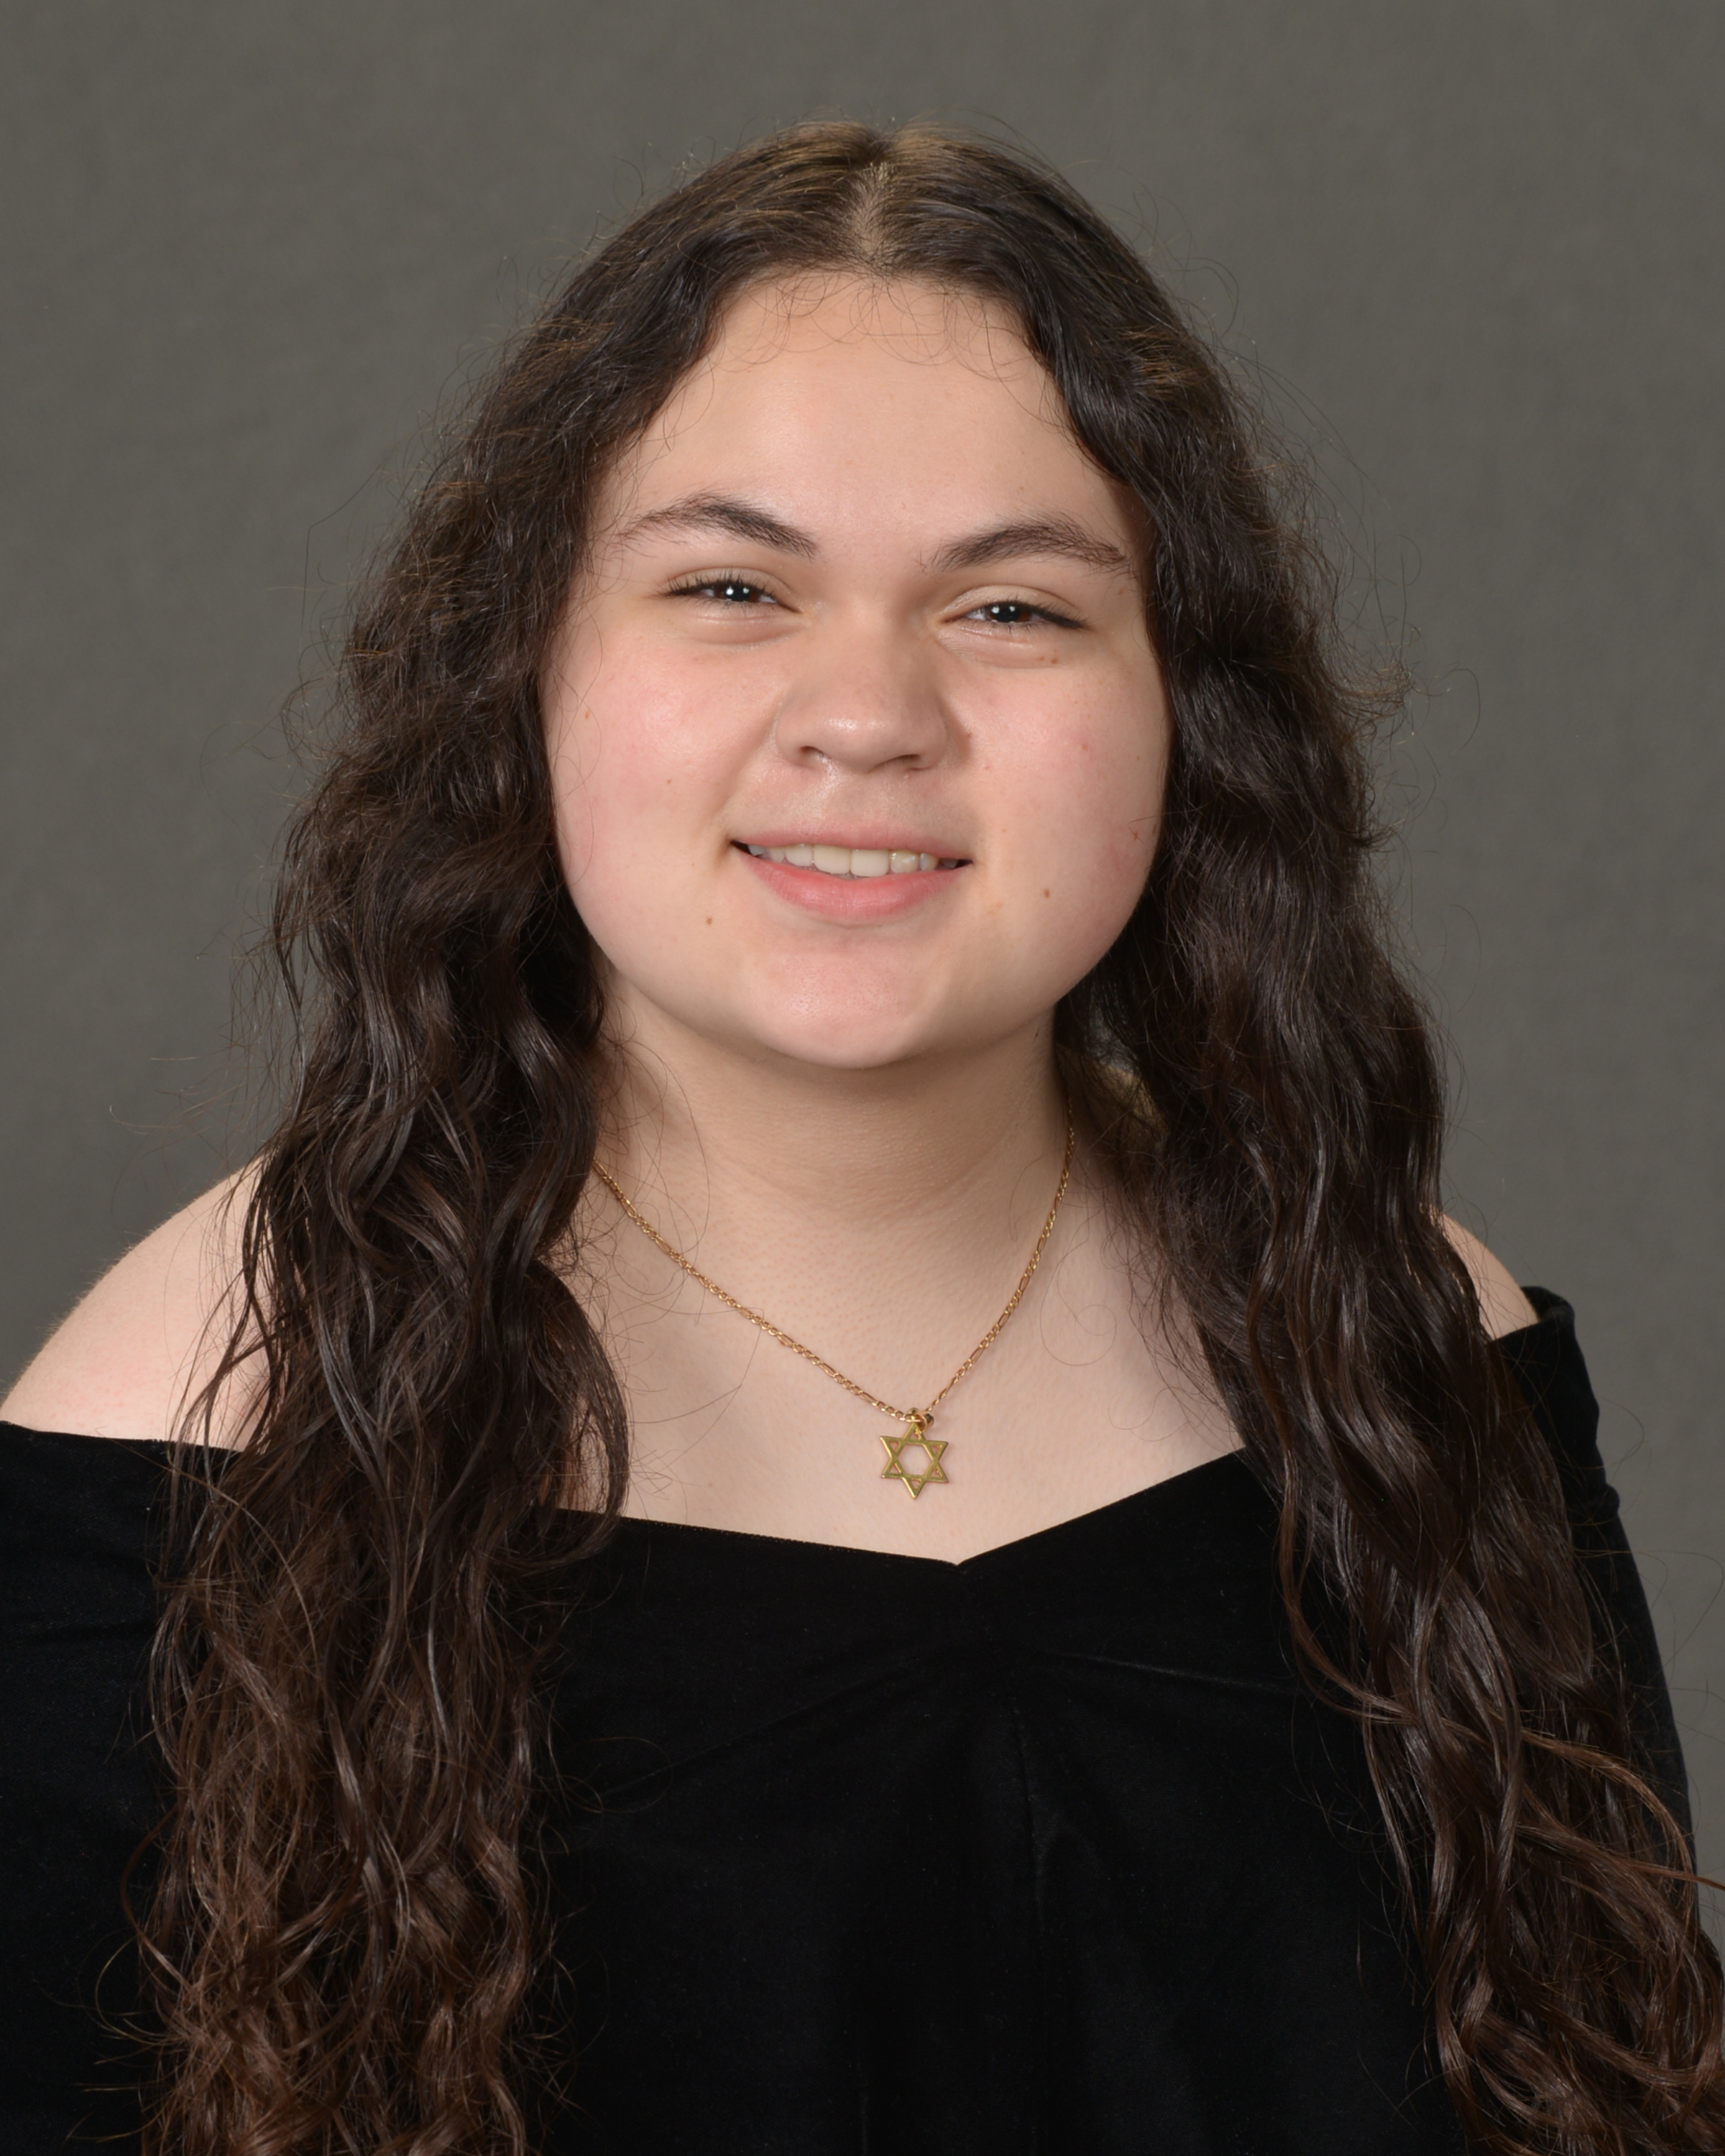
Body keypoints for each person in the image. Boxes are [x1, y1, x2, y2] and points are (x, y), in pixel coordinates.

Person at [1, 120, 1718, 2156]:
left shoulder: (1406, 1340)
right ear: (526, 665)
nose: (869, 714)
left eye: (1012, 608)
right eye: (733, 586)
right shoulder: (204, 1410)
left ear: (1189, 711)